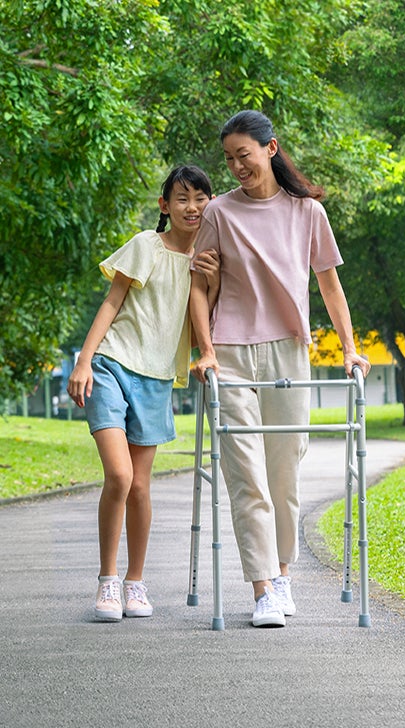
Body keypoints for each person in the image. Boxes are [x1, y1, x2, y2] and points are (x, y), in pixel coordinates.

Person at [189, 110, 371, 628]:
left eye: (242, 154)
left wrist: (349, 348)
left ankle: (284, 573)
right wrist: (205, 350)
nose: (235, 166)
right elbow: (199, 291)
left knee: (284, 472)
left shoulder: (307, 213)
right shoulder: (218, 214)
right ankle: (263, 589)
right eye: (228, 158)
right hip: (230, 353)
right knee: (246, 476)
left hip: (290, 351)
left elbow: (330, 287)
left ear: (269, 148)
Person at [67, 165, 219, 622]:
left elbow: (199, 328)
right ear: (165, 205)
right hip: (111, 365)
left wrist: (209, 284)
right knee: (120, 476)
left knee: (142, 486)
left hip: (156, 379)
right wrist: (83, 360)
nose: (191, 207)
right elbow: (111, 302)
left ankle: (136, 581)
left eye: (200, 198)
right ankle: (107, 580)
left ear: (210, 204)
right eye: (181, 198)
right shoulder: (145, 246)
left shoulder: (206, 260)